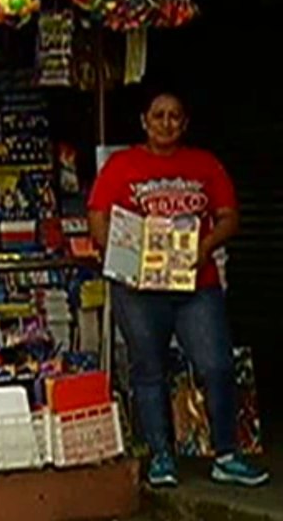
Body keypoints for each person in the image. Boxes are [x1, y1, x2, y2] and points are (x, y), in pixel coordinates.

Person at [88, 89, 269, 488]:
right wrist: (117, 257)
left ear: (184, 124)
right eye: (158, 116)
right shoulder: (121, 166)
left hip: (196, 285)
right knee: (148, 368)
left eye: (174, 116)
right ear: (144, 121)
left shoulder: (205, 164)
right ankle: (161, 456)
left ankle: (226, 454)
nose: (166, 123)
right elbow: (98, 217)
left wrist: (205, 247)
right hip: (138, 287)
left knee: (217, 364)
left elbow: (229, 218)